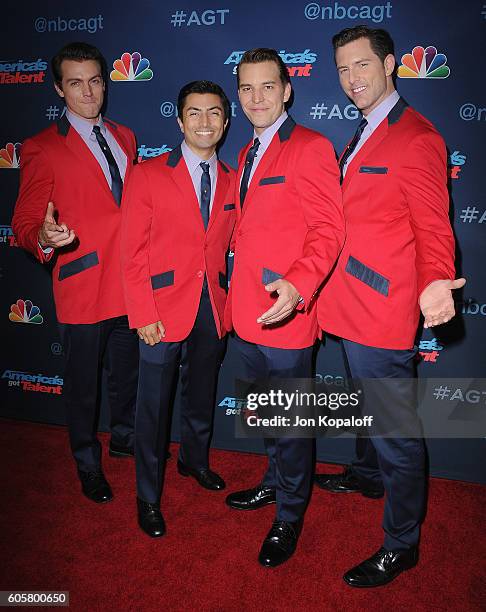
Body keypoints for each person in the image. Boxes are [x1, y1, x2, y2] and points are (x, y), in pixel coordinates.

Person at [315, 26, 465, 587]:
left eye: (362, 66)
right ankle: (365, 472)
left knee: (396, 431)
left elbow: (433, 225)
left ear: (391, 64)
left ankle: (402, 543)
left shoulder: (417, 137)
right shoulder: (363, 131)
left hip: (380, 310)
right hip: (346, 303)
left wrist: (436, 282)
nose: (352, 79)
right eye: (343, 70)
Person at [224, 48, 344, 567]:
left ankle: (290, 514)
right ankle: (274, 483)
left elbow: (328, 229)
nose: (256, 98)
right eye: (247, 88)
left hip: (288, 312)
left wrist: (298, 285)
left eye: (267, 87)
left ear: (287, 89)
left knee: (292, 423)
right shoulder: (246, 154)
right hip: (246, 313)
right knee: (264, 414)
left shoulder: (312, 147)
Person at [12, 42, 139, 504]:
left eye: (95, 80)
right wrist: (44, 236)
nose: (88, 92)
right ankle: (87, 462)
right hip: (83, 287)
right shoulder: (42, 148)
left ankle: (125, 440)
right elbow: (25, 224)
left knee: (128, 377)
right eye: (75, 83)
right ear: (58, 89)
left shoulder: (125, 137)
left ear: (105, 82)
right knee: (83, 388)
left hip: (130, 286)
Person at [121, 81, 236, 538]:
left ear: (226, 123)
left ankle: (194, 461)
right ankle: (147, 495)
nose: (204, 123)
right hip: (160, 311)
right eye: (195, 114)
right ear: (179, 120)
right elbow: (132, 254)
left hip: (212, 305)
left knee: (202, 393)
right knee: (153, 407)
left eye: (213, 114)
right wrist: (142, 312)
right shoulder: (147, 174)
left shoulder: (231, 179)